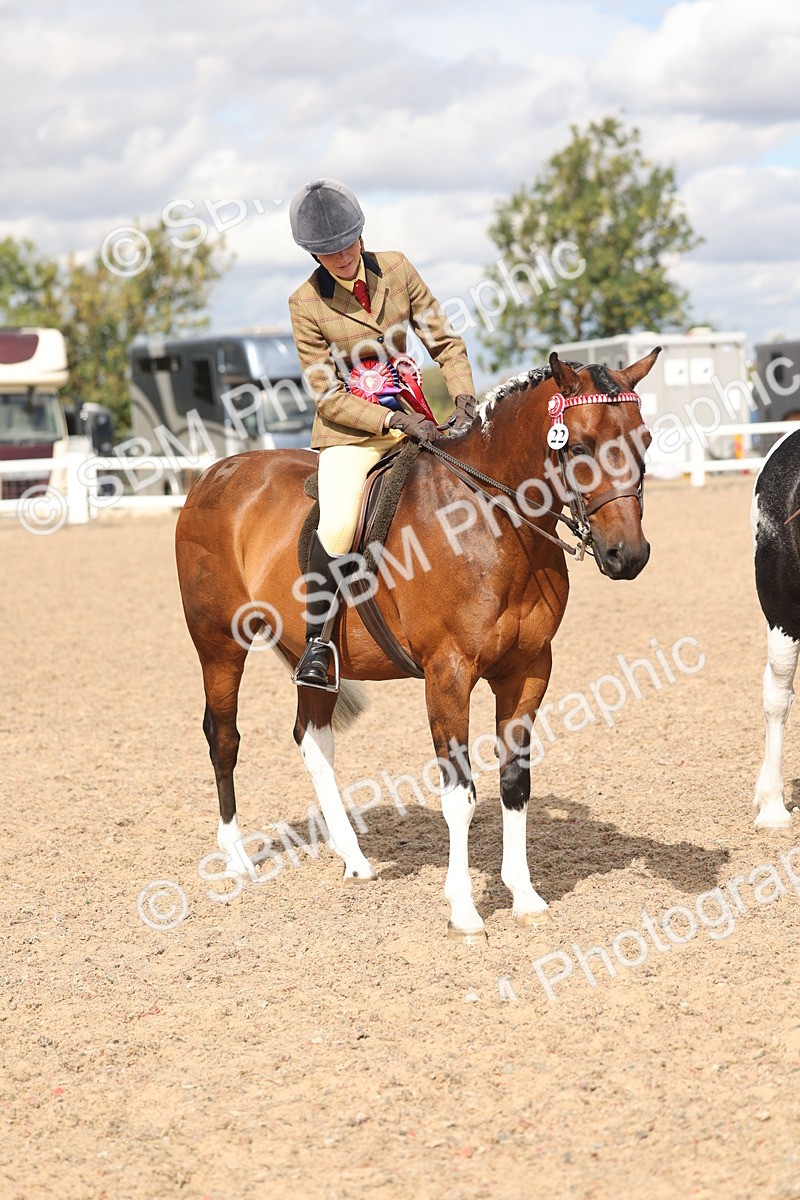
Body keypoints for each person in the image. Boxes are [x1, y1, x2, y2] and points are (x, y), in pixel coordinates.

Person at [288, 178, 478, 689]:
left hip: (418, 416)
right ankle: (317, 646)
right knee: (338, 524)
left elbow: (445, 341)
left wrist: (462, 395)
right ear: (312, 254)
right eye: (328, 252)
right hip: (351, 433)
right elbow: (326, 394)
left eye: (348, 243)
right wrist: (391, 420)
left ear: (361, 233)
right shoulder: (305, 303)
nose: (343, 257)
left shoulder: (396, 267)